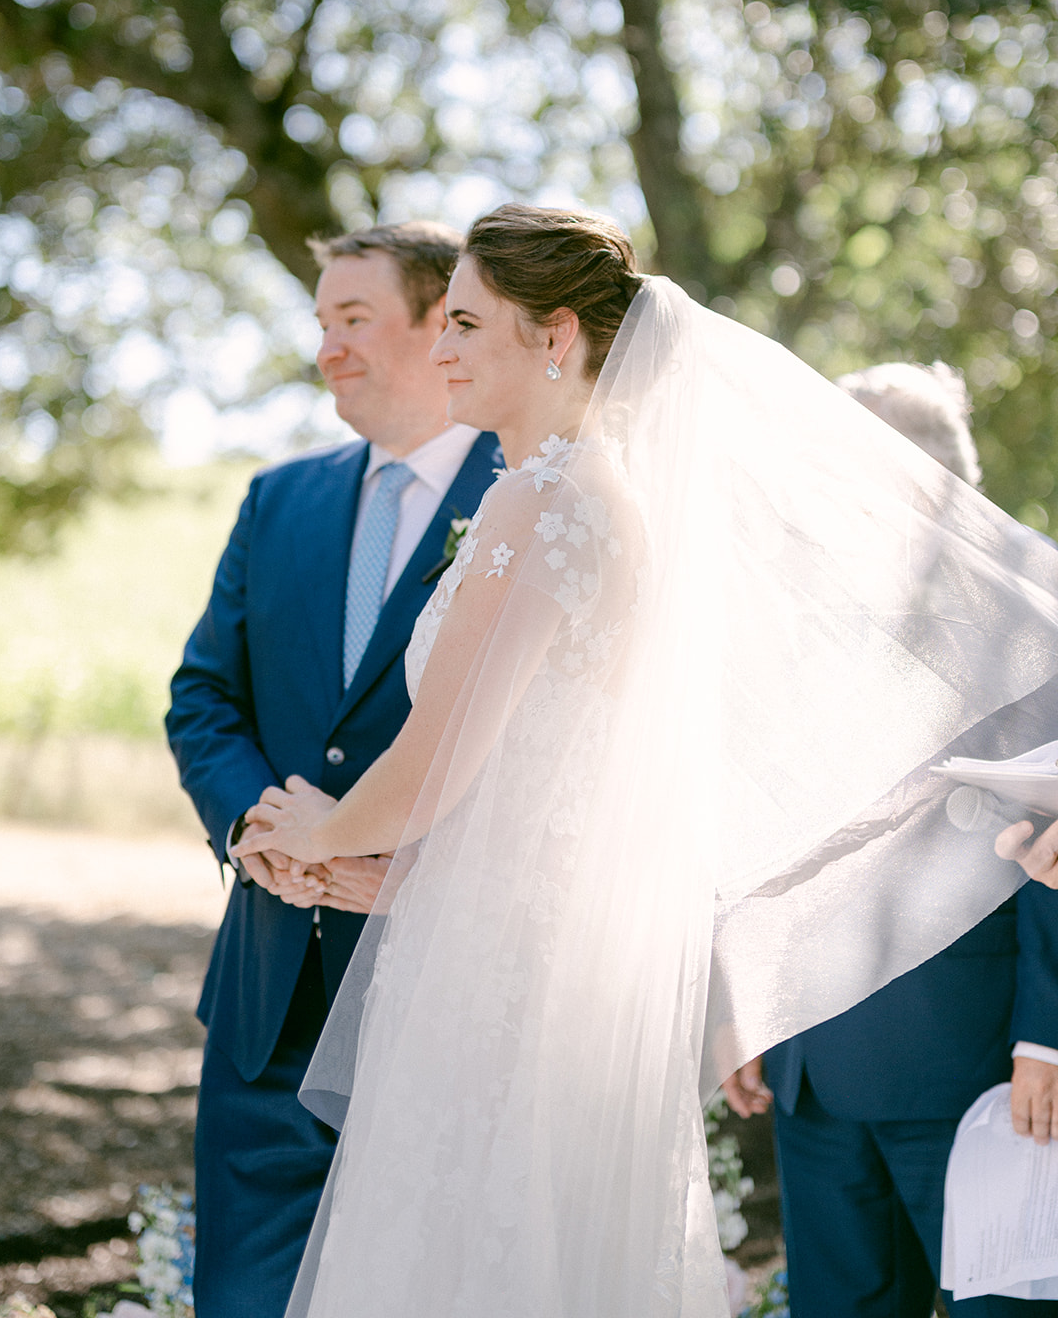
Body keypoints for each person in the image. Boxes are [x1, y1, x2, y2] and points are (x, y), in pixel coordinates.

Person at [241, 205, 1058, 1318]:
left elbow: (431, 771)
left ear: (554, 335)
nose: (439, 350)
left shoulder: (545, 503)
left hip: (509, 989)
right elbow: (560, 797)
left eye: (467, 324)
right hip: (545, 962)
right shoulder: (608, 506)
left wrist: (301, 829)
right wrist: (388, 869)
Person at [165, 222, 503, 1318]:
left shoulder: (530, 499)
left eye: (352, 320)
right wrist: (261, 829)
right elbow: (203, 695)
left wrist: (379, 848)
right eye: (321, 324)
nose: (327, 349)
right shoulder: (279, 499)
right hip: (267, 993)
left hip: (438, 993)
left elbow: (558, 756)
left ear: (435, 322)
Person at [722, 360, 1058, 1318]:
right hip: (812, 1068)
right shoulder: (786, 632)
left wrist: (1050, 1035)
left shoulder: (1029, 621)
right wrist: (745, 1000)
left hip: (979, 1059)